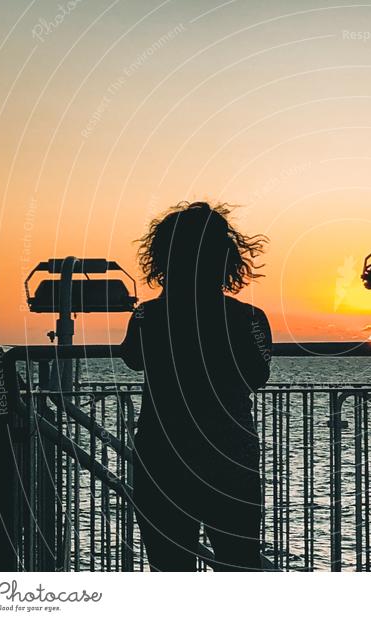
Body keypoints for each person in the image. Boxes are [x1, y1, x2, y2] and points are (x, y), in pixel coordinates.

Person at [120, 201, 271, 571]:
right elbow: (258, 374)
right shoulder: (249, 318)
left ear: (164, 258)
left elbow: (133, 358)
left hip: (162, 456)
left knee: (170, 565)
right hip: (230, 456)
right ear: (226, 258)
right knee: (239, 563)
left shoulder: (146, 316)